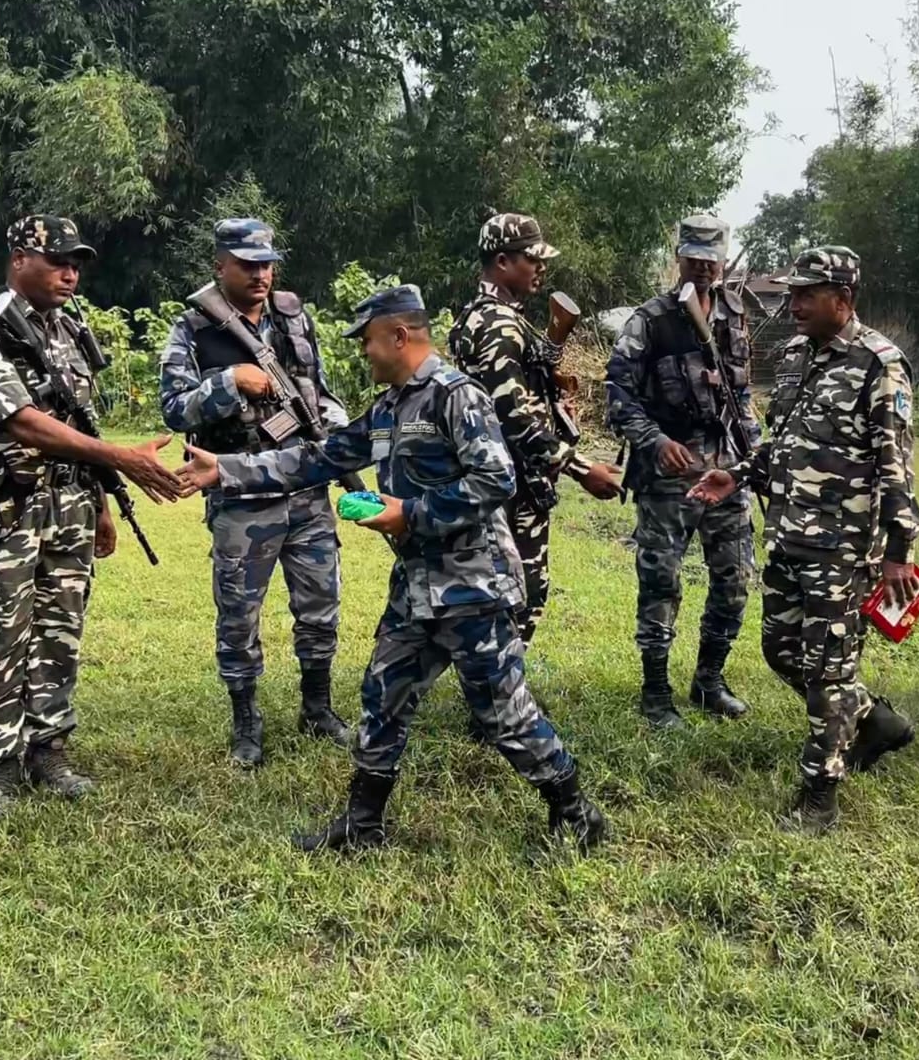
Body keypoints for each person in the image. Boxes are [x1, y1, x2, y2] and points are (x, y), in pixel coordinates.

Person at [177, 285, 607, 853]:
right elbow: (317, 457)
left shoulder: (457, 397)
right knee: (384, 696)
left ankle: (576, 813)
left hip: (473, 587)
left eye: (369, 342)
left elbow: (495, 480)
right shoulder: (389, 407)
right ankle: (363, 825)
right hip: (417, 588)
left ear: (399, 336)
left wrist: (411, 512)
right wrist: (228, 469)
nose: (364, 353)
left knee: (504, 713)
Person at [0, 214, 185, 820]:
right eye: (58, 261)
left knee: (60, 630)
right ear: (20, 258)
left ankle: (49, 748)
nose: (71, 273)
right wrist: (120, 460)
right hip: (6, 503)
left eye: (77, 262)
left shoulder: (68, 330)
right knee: (1, 631)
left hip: (70, 503)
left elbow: (79, 423)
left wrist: (102, 503)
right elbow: (21, 420)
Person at [687, 246, 919, 834]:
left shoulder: (879, 364)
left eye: (806, 296)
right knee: (780, 650)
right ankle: (875, 722)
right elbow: (781, 441)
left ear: (842, 302)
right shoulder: (796, 355)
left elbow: (896, 464)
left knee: (827, 675)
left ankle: (819, 800)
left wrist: (899, 553)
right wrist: (736, 475)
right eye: (792, 293)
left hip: (844, 550)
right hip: (789, 536)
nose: (792, 305)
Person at [159, 218, 353, 766]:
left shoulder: (293, 318)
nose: (261, 273)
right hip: (240, 495)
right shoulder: (195, 329)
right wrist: (230, 382)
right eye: (247, 264)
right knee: (239, 616)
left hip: (304, 488)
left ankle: (317, 708)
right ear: (219, 264)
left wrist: (333, 428)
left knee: (320, 607)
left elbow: (319, 390)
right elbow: (173, 408)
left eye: (267, 263)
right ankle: (246, 720)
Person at [604, 214, 760, 729]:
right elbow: (617, 396)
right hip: (669, 473)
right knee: (660, 581)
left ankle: (708, 681)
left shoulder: (735, 314)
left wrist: (753, 460)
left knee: (735, 577)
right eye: (693, 255)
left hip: (726, 467)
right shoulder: (649, 321)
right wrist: (654, 440)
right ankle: (655, 693)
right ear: (679, 256)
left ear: (722, 259)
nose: (703, 266)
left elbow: (741, 394)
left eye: (711, 257)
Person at [449, 212, 622, 655]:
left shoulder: (490, 316)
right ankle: (498, 694)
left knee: (509, 586)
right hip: (511, 482)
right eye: (532, 259)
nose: (541, 267)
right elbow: (515, 419)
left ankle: (501, 685)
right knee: (519, 589)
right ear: (503, 262)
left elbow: (521, 382)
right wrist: (582, 470)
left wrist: (552, 386)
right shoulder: (499, 325)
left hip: (505, 477)